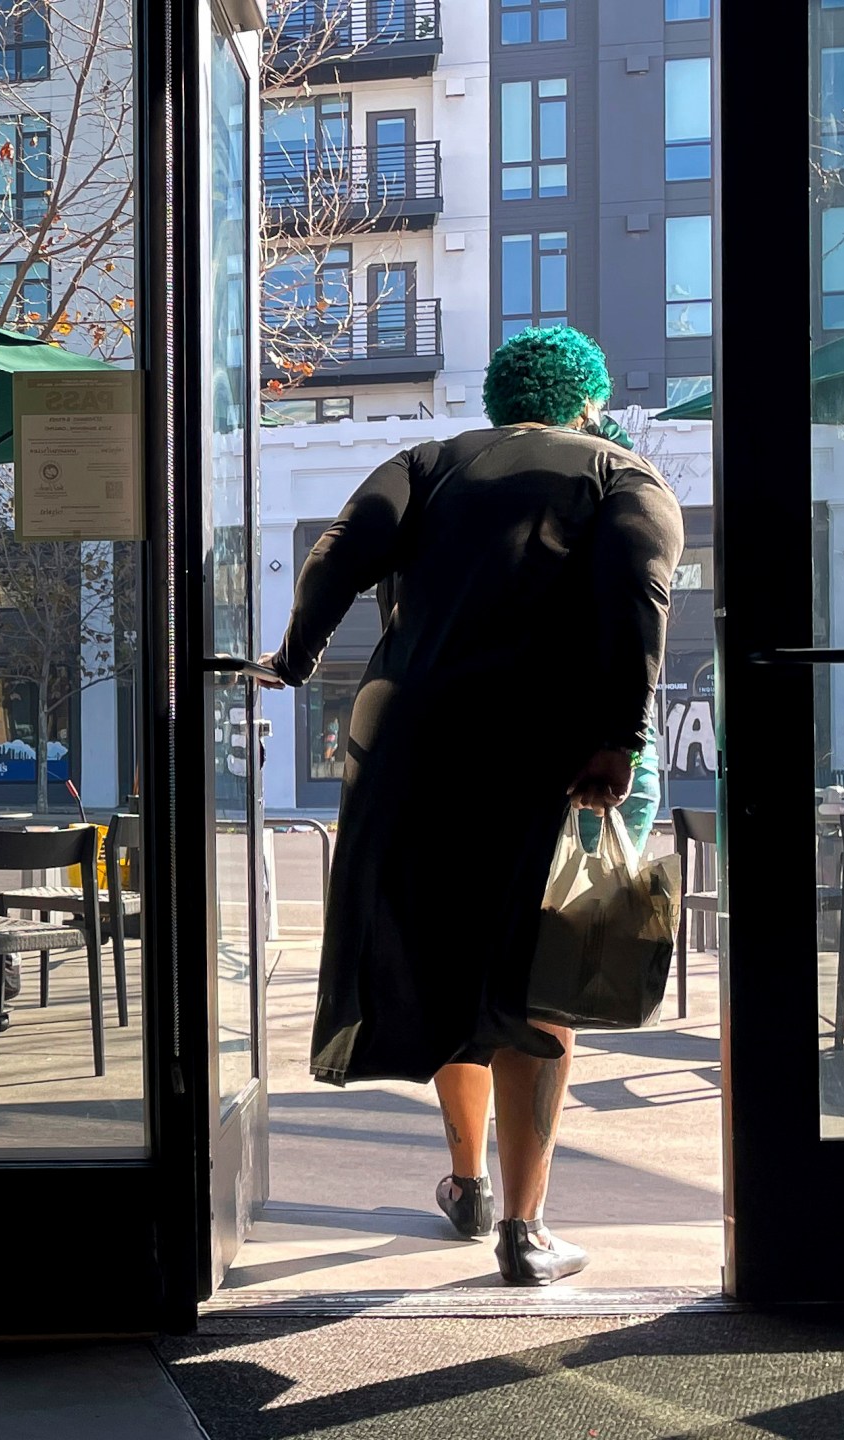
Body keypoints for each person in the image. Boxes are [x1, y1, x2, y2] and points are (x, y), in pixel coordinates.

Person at [258, 327, 684, 1287]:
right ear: (589, 396)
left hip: (407, 747)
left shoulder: (426, 462)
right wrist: (618, 736)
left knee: (448, 963)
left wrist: (294, 660)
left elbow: (335, 556)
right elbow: (638, 600)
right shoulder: (621, 474)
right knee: (539, 972)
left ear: (499, 398)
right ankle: (526, 1231)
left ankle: (466, 1183)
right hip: (542, 750)